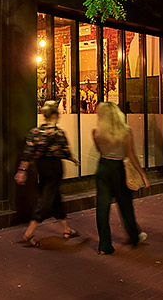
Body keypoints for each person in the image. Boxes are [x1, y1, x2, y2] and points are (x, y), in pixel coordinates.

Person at [15, 100, 80, 247]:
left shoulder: (35, 132)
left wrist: (21, 171)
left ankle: (66, 229)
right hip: (55, 167)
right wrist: (73, 159)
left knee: (54, 197)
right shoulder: (58, 133)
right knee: (47, 199)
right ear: (56, 115)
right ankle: (30, 231)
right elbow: (65, 151)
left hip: (41, 167)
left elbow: (27, 153)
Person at [93, 102, 150, 255]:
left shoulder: (97, 132)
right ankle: (134, 237)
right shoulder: (126, 131)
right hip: (119, 169)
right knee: (125, 205)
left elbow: (99, 150)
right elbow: (130, 154)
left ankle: (104, 245)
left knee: (102, 207)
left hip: (103, 167)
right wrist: (142, 174)